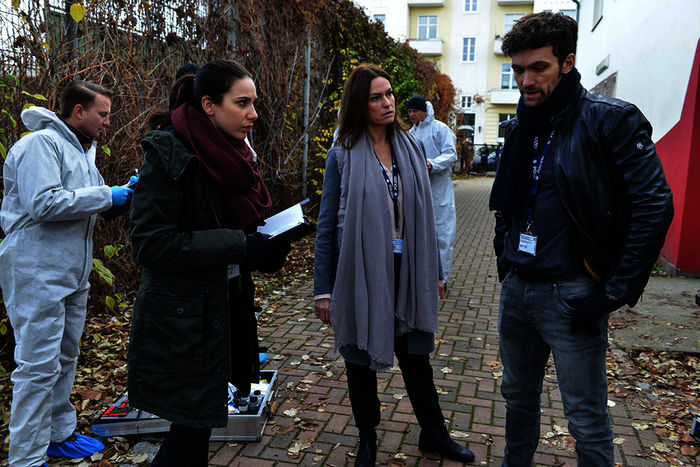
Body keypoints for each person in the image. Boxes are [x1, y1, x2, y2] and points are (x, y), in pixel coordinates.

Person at [490, 12, 673, 466]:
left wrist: (614, 291)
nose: (525, 80)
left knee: (586, 418)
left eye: (538, 68)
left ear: (568, 62)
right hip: (518, 288)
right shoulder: (520, 126)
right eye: (517, 69)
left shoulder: (609, 121)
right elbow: (508, 205)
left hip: (573, 294)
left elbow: (655, 205)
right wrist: (505, 261)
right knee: (517, 400)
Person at [127, 59, 290, 466]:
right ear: (209, 105)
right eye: (243, 103)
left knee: (193, 432)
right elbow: (152, 245)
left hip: (220, 311)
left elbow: (225, 226)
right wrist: (241, 244)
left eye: (254, 103)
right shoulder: (169, 153)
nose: (254, 114)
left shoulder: (229, 152)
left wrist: (264, 246)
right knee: (188, 435)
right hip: (182, 322)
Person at [314, 64, 475, 466]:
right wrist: (323, 288)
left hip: (409, 270)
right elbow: (328, 225)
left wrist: (436, 272)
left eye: (389, 95)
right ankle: (367, 438)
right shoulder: (342, 154)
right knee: (359, 359)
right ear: (359, 104)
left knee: (416, 357)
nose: (387, 103)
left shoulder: (411, 147)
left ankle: (434, 435)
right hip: (360, 272)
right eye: (375, 97)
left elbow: (426, 219)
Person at [0, 80, 135, 466]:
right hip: (35, 268)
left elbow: (80, 205)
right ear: (79, 112)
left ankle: (58, 435)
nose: (107, 122)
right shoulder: (40, 145)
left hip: (68, 271)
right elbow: (43, 203)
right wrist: (107, 195)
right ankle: (25, 458)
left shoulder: (79, 152)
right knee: (37, 366)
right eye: (102, 114)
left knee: (64, 355)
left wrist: (119, 196)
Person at [406, 94, 458, 285]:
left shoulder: (440, 129)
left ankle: (442, 278)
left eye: (415, 111)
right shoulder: (411, 133)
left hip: (439, 190)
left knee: (442, 235)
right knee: (419, 233)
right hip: (417, 190)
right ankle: (422, 276)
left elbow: (451, 154)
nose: (412, 115)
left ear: (424, 111)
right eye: (409, 111)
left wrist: (431, 164)